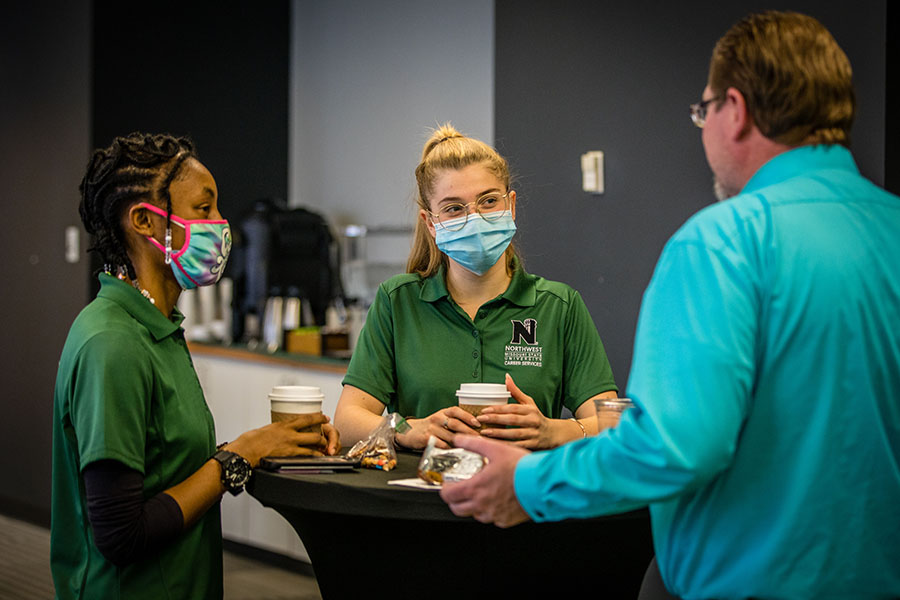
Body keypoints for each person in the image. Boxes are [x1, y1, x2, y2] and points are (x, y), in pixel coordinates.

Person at [441, 11, 900, 599]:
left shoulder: (724, 242)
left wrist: (529, 486)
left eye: (703, 111)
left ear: (736, 110)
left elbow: (675, 447)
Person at [51, 132, 341, 600]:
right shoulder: (113, 343)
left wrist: (266, 445)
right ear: (145, 221)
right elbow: (121, 535)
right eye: (203, 209)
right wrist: (237, 456)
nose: (221, 225)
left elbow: (168, 469)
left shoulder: (159, 328)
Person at [334, 124, 618, 450]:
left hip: (522, 492)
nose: (475, 218)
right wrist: (407, 427)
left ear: (510, 206)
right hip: (420, 491)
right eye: (454, 208)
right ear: (431, 223)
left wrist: (553, 431)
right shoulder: (398, 302)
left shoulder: (559, 306)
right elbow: (346, 420)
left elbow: (610, 424)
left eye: (488, 201)